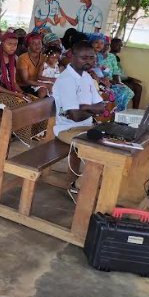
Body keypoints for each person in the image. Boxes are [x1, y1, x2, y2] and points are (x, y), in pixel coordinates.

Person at [52, 40, 106, 199]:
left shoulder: (86, 77)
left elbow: (101, 105)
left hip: (86, 126)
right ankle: (80, 187)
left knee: (113, 144)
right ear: (72, 56)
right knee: (100, 151)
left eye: (91, 57)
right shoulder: (67, 80)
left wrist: (84, 108)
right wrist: (93, 110)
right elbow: (75, 117)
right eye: (84, 58)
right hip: (67, 129)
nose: (88, 61)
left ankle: (91, 186)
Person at [0, 32, 43, 143]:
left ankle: (32, 132)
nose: (13, 47)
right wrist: (16, 94)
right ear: (2, 44)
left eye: (15, 44)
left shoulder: (13, 59)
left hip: (9, 90)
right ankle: (7, 130)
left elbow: (13, 82)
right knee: (20, 103)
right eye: (9, 44)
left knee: (34, 101)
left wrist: (22, 93)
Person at [89, 33, 134, 112]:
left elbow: (115, 71)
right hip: (96, 82)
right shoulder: (92, 55)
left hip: (105, 81)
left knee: (127, 91)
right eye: (97, 42)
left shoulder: (109, 56)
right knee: (115, 92)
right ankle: (112, 113)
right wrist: (101, 79)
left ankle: (118, 113)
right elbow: (91, 70)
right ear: (91, 43)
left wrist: (118, 82)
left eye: (104, 44)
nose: (104, 46)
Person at [110, 38, 142, 108]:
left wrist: (128, 78)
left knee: (138, 87)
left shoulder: (116, 57)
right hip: (113, 79)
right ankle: (120, 110)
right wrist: (129, 78)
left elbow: (119, 71)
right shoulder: (110, 57)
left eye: (121, 45)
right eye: (118, 45)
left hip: (120, 78)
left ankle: (135, 110)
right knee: (129, 87)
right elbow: (113, 73)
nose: (120, 47)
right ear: (111, 45)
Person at [16, 33, 49, 98]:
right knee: (43, 93)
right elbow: (25, 80)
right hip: (24, 87)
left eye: (39, 43)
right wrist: (45, 84)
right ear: (28, 45)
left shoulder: (44, 57)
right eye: (34, 43)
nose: (37, 45)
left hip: (38, 85)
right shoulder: (23, 58)